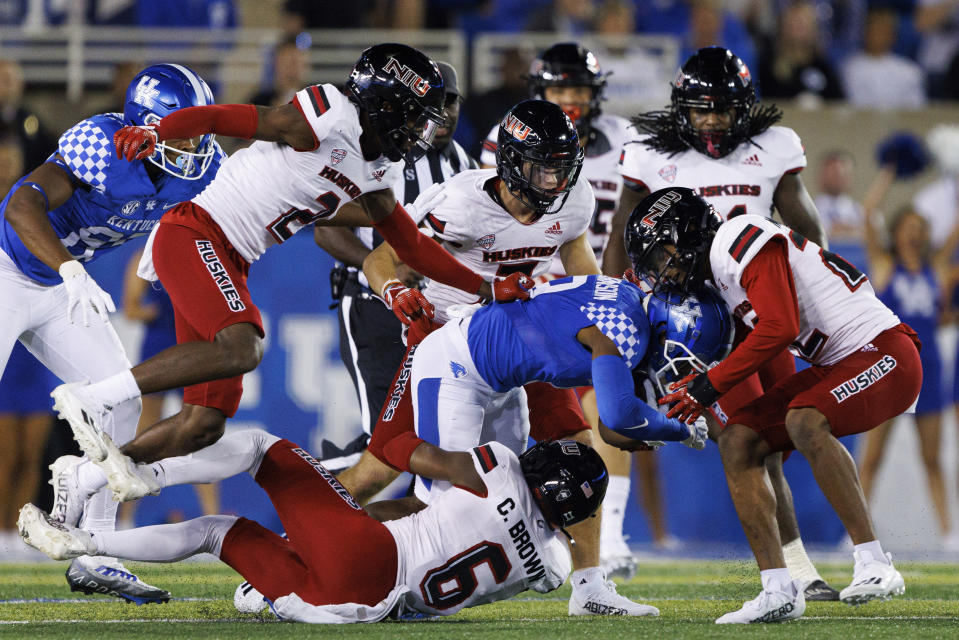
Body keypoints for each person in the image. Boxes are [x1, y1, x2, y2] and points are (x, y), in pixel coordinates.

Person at [52, 44, 532, 512]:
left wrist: (487, 288)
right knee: (242, 346)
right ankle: (93, 399)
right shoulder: (328, 115)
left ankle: (86, 477)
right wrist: (160, 135)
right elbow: (224, 117)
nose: (423, 130)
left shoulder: (378, 167)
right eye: (415, 116)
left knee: (203, 423)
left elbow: (412, 247)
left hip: (232, 255)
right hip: (196, 230)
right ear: (385, 104)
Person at [350, 98, 649, 615]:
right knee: (386, 480)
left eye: (563, 166)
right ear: (510, 163)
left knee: (580, 446)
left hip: (521, 344)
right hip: (445, 352)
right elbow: (382, 259)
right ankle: (305, 541)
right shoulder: (460, 203)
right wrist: (399, 296)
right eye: (543, 166)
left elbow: (586, 278)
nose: (556, 180)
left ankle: (591, 586)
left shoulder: (573, 202)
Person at [603, 46, 837, 601]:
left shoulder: (773, 148)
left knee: (779, 438)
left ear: (745, 107)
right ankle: (788, 575)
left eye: (722, 109)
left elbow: (810, 233)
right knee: (743, 437)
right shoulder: (649, 153)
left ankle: (798, 569)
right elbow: (620, 235)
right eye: (701, 109)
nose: (711, 120)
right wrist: (619, 305)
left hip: (760, 309)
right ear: (682, 108)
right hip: (693, 317)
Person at [626, 187, 919, 623]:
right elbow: (738, 345)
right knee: (740, 440)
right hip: (835, 363)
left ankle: (874, 561)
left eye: (660, 256)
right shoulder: (720, 279)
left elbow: (779, 328)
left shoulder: (738, 238)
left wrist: (708, 386)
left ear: (686, 235)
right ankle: (780, 589)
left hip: (885, 351)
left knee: (804, 422)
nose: (660, 271)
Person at [0, 62, 226, 603]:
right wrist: (70, 269)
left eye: (197, 130)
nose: (193, 143)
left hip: (58, 288)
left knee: (120, 397)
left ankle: (98, 552)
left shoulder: (199, 165)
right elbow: (19, 203)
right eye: (182, 129)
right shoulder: (101, 142)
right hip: (12, 269)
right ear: (145, 126)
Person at [19, 430, 607, 623]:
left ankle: (121, 485)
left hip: (369, 558)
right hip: (366, 606)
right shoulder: (552, 570)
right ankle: (79, 541)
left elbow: (401, 449)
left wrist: (355, 467)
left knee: (254, 446)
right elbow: (437, 532)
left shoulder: (498, 467)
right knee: (218, 531)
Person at [478, 42, 644, 576]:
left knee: (607, 407)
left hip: (593, 285)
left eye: (578, 89)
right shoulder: (508, 142)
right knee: (547, 423)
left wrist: (611, 296)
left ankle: (609, 538)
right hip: (533, 301)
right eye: (559, 89)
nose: (570, 99)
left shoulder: (623, 141)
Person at [312, 60, 477, 470]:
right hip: (375, 307)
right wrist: (381, 271)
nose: (443, 113)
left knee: (428, 432)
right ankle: (312, 497)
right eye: (434, 103)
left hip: (436, 316)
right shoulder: (382, 154)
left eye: (451, 101)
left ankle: (321, 485)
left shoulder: (466, 164)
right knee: (385, 445)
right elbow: (325, 227)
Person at [855, 154, 959, 549]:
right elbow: (867, 216)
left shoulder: (937, 266)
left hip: (930, 369)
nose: (913, 234)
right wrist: (889, 171)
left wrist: (953, 181)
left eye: (920, 228)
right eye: (907, 227)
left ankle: (949, 534)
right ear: (896, 232)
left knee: (932, 459)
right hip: (889, 370)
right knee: (872, 458)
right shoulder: (884, 266)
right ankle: (859, 535)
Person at [842, 7, 927, 110]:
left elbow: (917, 109)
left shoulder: (909, 71)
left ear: (893, 36)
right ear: (865, 34)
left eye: (884, 32)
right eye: (875, 31)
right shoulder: (850, 69)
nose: (878, 37)